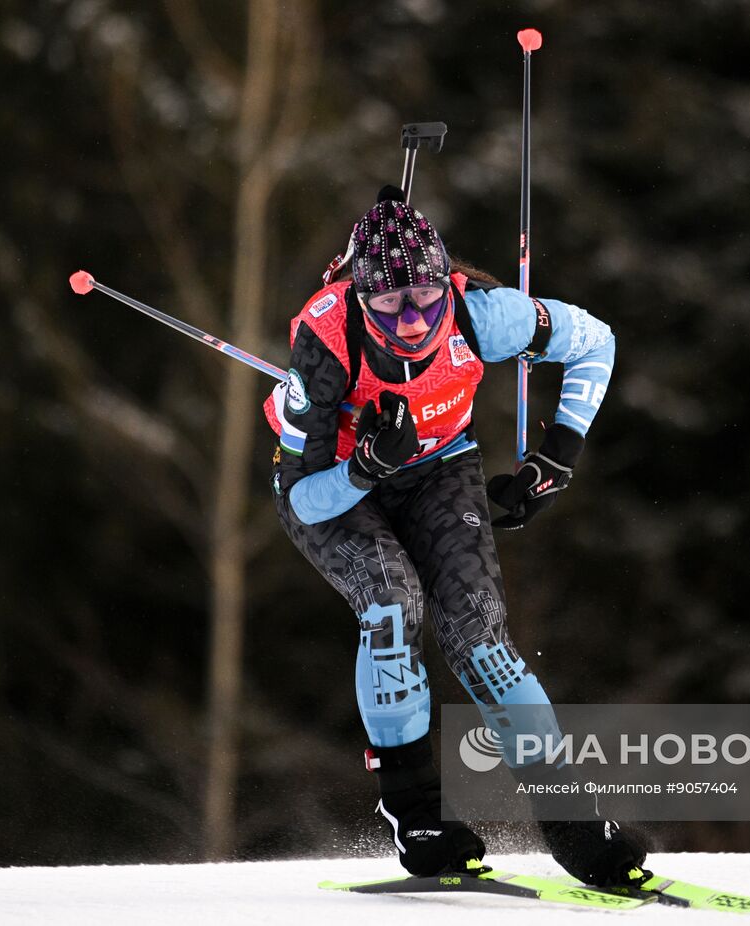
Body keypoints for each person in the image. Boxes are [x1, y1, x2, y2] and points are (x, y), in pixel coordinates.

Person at [264, 185, 646, 886]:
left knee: (478, 636)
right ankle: (415, 813)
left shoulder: (482, 315)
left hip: (440, 468)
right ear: (358, 294)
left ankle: (573, 825)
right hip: (337, 489)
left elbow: (597, 342)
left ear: (447, 280)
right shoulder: (323, 341)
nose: (411, 321)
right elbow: (303, 499)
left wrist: (558, 454)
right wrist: (364, 467)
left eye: (425, 298)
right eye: (388, 304)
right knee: (391, 603)